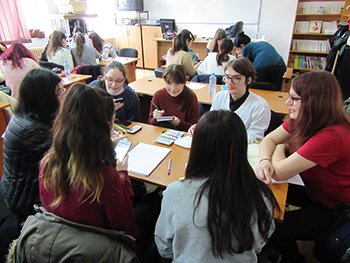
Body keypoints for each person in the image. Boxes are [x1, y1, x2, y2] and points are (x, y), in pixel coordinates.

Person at [155, 110, 279, 262]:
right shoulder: (260, 195)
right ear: (241, 149)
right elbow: (259, 244)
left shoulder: (175, 193)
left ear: (197, 148)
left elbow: (164, 248)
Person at [255, 71, 350, 262]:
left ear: (314, 102)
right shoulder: (306, 120)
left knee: (272, 228)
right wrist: (266, 160)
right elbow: (269, 139)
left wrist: (281, 146)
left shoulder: (332, 136)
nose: (287, 103)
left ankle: (293, 257)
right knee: (260, 193)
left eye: (294, 99)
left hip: (334, 207)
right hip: (314, 189)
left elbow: (280, 170)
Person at [39, 83, 137, 237]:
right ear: (105, 126)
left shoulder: (48, 163)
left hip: (60, 241)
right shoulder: (104, 176)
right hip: (99, 249)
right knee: (148, 209)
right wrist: (122, 177)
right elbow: (126, 227)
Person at [1, 68, 64, 220]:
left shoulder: (31, 116)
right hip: (25, 198)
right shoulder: (31, 129)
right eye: (59, 92)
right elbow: (68, 154)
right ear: (45, 98)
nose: (64, 96)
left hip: (22, 187)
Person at [210, 57, 271, 143]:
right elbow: (211, 124)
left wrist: (226, 138)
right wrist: (200, 129)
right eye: (227, 77)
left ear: (248, 80)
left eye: (236, 78)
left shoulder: (260, 106)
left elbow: (254, 138)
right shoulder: (219, 97)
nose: (230, 82)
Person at [148, 64, 199, 131]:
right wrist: (155, 118)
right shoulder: (158, 95)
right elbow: (149, 122)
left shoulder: (191, 98)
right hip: (162, 134)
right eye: (169, 83)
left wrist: (179, 123)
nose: (173, 88)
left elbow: (195, 127)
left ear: (184, 82)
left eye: (177, 84)